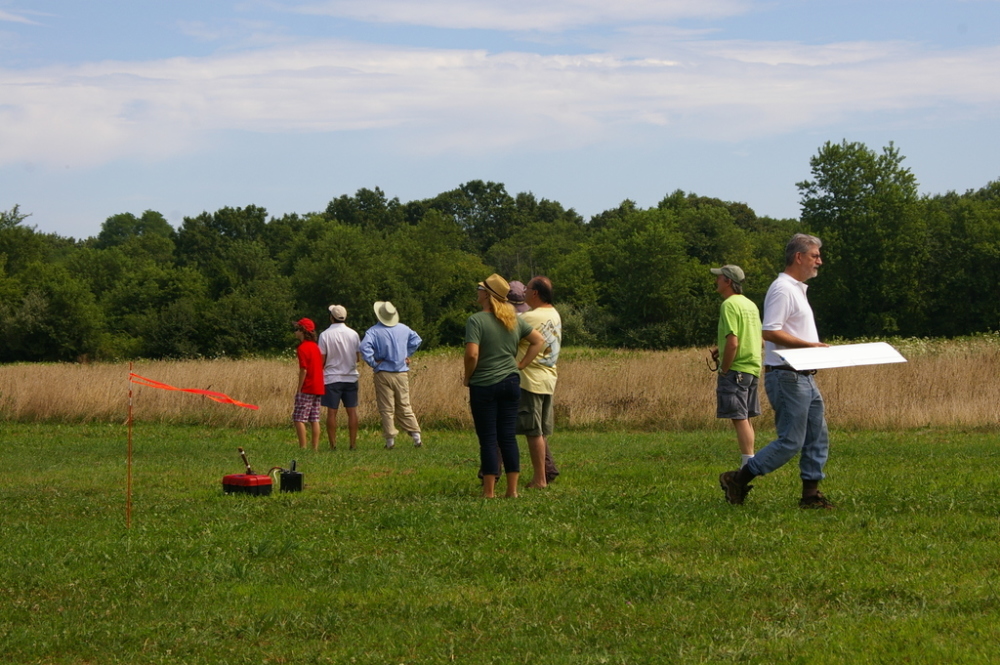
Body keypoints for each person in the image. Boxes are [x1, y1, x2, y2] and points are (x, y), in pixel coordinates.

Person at [719, 234, 834, 509]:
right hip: (787, 375)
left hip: (803, 375)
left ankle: (811, 495)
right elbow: (769, 331)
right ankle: (738, 478)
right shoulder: (782, 289)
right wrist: (810, 346)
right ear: (799, 257)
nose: (819, 261)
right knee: (791, 441)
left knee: (817, 436)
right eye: (815, 255)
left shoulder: (797, 289)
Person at [464, 273, 544, 498]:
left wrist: (467, 376)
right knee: (507, 436)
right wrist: (521, 365)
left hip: (484, 384)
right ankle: (512, 490)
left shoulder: (476, 320)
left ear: (487, 295)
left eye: (481, 289)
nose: (477, 291)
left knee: (488, 437)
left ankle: (489, 492)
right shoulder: (514, 320)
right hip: (511, 382)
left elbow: (472, 354)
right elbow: (538, 341)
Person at [709, 265, 762, 470]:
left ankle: (748, 466)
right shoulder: (750, 305)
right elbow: (751, 336)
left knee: (739, 418)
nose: (716, 281)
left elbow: (733, 342)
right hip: (751, 368)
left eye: (719, 278)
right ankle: (750, 461)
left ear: (728, 281)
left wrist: (724, 369)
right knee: (745, 417)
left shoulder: (729, 305)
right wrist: (719, 349)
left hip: (736, 370)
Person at [516, 276, 562, 489]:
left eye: (527, 288)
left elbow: (508, 335)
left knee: (533, 432)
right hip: (548, 378)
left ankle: (539, 479)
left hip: (530, 380)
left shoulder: (529, 318)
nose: (524, 291)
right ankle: (542, 475)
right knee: (541, 432)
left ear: (535, 293)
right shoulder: (554, 313)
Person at [360, 301, 423, 449]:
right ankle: (416, 436)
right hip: (401, 372)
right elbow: (417, 340)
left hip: (383, 372)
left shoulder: (373, 331)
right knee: (404, 404)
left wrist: (374, 363)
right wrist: (406, 354)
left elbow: (363, 347)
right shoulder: (404, 328)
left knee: (387, 408)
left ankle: (390, 441)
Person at [317, 304, 361, 451]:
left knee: (332, 412)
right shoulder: (353, 334)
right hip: (351, 376)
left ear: (332, 317)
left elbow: (321, 359)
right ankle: (353, 444)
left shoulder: (325, 335)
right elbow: (358, 357)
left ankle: (333, 445)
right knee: (352, 411)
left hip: (332, 377)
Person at [292, 318, 325, 450]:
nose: (295, 332)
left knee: (298, 418)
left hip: (308, 386)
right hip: (318, 386)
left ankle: (303, 447)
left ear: (302, 331)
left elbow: (303, 369)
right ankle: (315, 448)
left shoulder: (302, 348)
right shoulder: (316, 347)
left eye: (297, 329)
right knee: (314, 418)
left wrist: (299, 388)